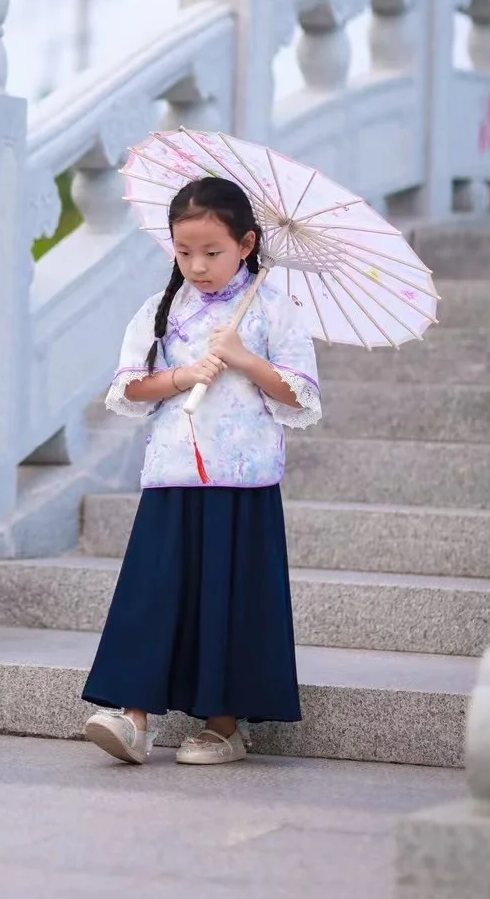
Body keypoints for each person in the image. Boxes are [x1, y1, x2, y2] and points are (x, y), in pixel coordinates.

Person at [81, 175, 321, 765]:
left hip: (243, 479)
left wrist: (244, 358)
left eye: (212, 252)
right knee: (154, 591)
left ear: (246, 244)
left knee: (230, 600)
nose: (197, 265)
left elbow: (301, 396)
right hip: (172, 474)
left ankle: (224, 726)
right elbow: (129, 388)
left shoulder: (274, 309)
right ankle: (133, 717)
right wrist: (183, 378)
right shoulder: (162, 310)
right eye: (184, 251)